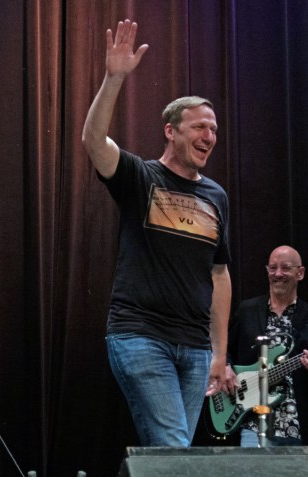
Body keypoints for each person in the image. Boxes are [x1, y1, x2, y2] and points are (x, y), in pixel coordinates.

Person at [81, 19, 234, 447]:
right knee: (173, 446)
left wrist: (219, 353)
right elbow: (93, 141)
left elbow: (219, 274)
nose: (210, 136)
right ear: (171, 131)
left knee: (170, 455)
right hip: (140, 336)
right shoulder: (141, 177)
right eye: (199, 127)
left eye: (214, 129)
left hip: (195, 347)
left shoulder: (216, 197)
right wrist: (114, 79)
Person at [225, 245, 308, 447]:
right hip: (251, 419)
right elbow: (225, 348)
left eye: (286, 268)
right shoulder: (248, 310)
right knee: (251, 468)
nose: (278, 274)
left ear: (300, 273)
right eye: (272, 268)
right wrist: (225, 366)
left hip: (296, 424)